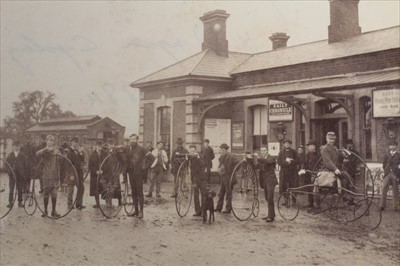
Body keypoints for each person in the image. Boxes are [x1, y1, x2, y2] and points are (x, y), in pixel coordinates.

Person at [320, 132, 355, 204]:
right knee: (345, 175)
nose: (332, 141)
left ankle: (347, 195)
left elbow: (340, 156)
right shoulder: (324, 149)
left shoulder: (335, 148)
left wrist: (344, 154)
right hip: (328, 170)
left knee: (347, 177)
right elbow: (327, 161)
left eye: (333, 139)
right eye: (330, 139)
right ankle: (346, 196)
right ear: (326, 139)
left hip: (335, 170)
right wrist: (335, 169)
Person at [35, 135, 61, 217]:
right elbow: (37, 154)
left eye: (52, 141)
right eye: (49, 140)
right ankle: (45, 210)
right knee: (46, 193)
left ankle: (53, 211)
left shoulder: (56, 150)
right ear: (46, 141)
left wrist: (59, 154)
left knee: (54, 193)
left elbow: (63, 159)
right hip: (46, 175)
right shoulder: (44, 150)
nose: (51, 142)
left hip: (55, 175)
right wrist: (44, 150)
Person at [127, 134, 149, 218]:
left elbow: (152, 158)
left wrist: (145, 167)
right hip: (131, 173)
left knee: (140, 192)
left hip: (139, 174)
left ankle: (141, 212)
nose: (132, 141)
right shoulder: (129, 149)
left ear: (137, 140)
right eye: (131, 139)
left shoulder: (142, 149)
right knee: (133, 192)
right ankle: (135, 211)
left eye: (134, 139)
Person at [257, 146, 278, 223]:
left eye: (264, 150)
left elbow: (268, 162)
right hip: (265, 181)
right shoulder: (261, 160)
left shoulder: (271, 158)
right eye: (261, 151)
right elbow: (255, 166)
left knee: (270, 198)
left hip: (271, 181)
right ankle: (271, 214)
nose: (263, 152)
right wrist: (248, 160)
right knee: (267, 198)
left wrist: (258, 158)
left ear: (267, 151)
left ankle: (271, 216)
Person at [65, 137, 86, 210]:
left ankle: (79, 203)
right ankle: (70, 204)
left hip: (79, 173)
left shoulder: (77, 151)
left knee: (81, 188)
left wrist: (80, 153)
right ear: (71, 142)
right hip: (72, 173)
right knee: (70, 188)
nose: (76, 144)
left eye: (77, 142)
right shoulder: (68, 151)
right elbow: (68, 164)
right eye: (74, 142)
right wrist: (71, 174)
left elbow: (82, 160)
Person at [298, 140, 320, 209]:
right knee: (309, 189)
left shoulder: (318, 155)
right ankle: (310, 203)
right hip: (307, 174)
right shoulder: (307, 155)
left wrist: (316, 172)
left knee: (315, 189)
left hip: (315, 174)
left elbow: (320, 165)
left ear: (315, 147)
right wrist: (303, 169)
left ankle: (317, 204)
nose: (310, 148)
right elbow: (304, 163)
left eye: (312, 146)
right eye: (309, 146)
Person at [379, 140, 400, 211]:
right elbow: (384, 164)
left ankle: (395, 206)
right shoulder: (386, 155)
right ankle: (382, 206)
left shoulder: (398, 155)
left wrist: (398, 175)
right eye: (391, 145)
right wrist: (386, 170)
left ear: (396, 146)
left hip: (395, 174)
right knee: (384, 188)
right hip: (387, 174)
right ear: (389, 147)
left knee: (395, 190)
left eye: (393, 145)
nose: (392, 146)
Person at [6, 140, 27, 208]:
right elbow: (7, 165)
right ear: (13, 147)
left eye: (18, 146)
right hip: (12, 175)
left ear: (20, 146)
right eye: (15, 146)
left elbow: (25, 165)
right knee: (11, 188)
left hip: (20, 175)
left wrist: (23, 173)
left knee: (20, 188)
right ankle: (10, 201)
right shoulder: (10, 155)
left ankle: (20, 201)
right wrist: (9, 172)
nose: (16, 147)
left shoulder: (22, 155)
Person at [277, 140, 299, 204]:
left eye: (288, 143)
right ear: (284, 145)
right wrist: (286, 162)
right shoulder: (281, 152)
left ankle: (293, 201)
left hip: (293, 172)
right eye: (286, 143)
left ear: (290, 145)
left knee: (293, 186)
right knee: (284, 186)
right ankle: (286, 200)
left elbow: (298, 160)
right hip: (284, 172)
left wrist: (292, 161)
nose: (287, 145)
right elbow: (279, 161)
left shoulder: (294, 152)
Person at [188, 145, 207, 217]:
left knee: (203, 194)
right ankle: (197, 211)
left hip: (202, 179)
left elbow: (203, 164)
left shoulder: (200, 156)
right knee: (195, 195)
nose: (192, 153)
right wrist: (186, 158)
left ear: (196, 151)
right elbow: (186, 164)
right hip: (194, 179)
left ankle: (203, 211)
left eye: (193, 151)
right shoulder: (190, 158)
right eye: (191, 151)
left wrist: (198, 158)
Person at [215, 143, 233, 213]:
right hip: (223, 177)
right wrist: (219, 168)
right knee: (221, 193)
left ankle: (228, 209)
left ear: (226, 150)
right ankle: (218, 208)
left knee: (228, 193)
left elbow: (237, 163)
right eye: (221, 150)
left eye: (223, 150)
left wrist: (232, 172)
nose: (222, 151)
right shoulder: (222, 157)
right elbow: (221, 165)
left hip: (228, 177)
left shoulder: (231, 156)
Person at [88, 140, 107, 208]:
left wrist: (103, 170)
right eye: (98, 146)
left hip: (103, 174)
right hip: (95, 175)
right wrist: (95, 171)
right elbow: (90, 166)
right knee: (96, 189)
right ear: (95, 146)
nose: (99, 148)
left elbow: (107, 163)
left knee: (105, 188)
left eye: (100, 146)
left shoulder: (105, 153)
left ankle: (107, 202)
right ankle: (97, 203)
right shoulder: (92, 155)